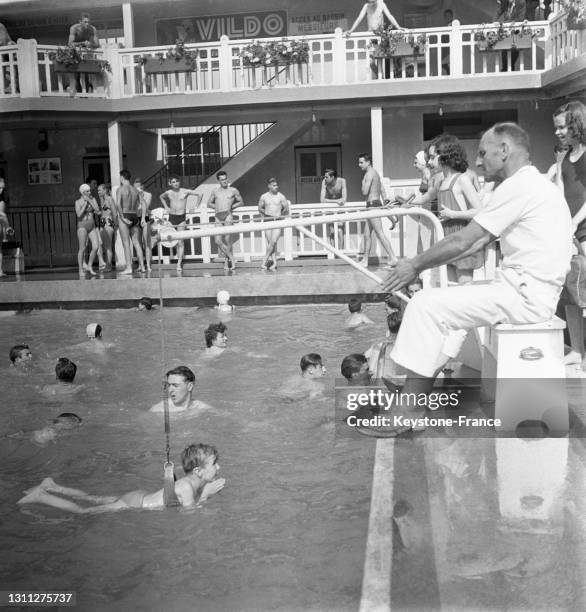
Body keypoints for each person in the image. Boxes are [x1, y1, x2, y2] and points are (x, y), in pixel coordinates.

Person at [380, 122, 573, 436]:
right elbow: (478, 242)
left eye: (483, 153)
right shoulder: (534, 185)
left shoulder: (520, 186)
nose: (479, 162)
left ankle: (410, 408)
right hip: (527, 290)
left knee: (426, 304)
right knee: (442, 301)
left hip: (525, 297)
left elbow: (465, 240)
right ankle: (416, 387)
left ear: (505, 150)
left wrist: (413, 265)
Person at [17, 443, 225, 512]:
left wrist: (169, 478)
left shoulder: (188, 483)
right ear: (198, 471)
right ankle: (41, 496)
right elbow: (189, 514)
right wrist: (207, 494)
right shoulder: (189, 487)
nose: (218, 466)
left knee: (93, 498)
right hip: (137, 504)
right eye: (214, 464)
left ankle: (53, 486)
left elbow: (171, 496)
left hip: (140, 497)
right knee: (84, 511)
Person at [552, 100, 586, 367]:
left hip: (583, 229)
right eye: (556, 128)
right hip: (570, 232)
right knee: (572, 292)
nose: (558, 132)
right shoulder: (564, 158)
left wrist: (575, 222)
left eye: (562, 127)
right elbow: (561, 192)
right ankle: (576, 350)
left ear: (576, 123)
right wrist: (564, 224)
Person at [434, 136, 485, 284]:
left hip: (462, 236)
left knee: (464, 286)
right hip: (446, 237)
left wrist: (452, 214)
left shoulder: (462, 179)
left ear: (445, 156)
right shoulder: (441, 182)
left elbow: (479, 210)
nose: (431, 161)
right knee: (449, 286)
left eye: (434, 156)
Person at [357, 153, 397, 267]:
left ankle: (393, 257)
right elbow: (383, 191)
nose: (359, 165)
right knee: (366, 235)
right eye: (359, 162)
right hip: (373, 205)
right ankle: (365, 260)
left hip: (373, 205)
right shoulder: (375, 174)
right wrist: (385, 204)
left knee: (379, 233)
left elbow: (364, 192)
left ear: (368, 162)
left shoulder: (369, 174)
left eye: (361, 162)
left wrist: (362, 183)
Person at [160, 176, 202, 271]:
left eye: (177, 181)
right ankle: (178, 256)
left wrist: (195, 207)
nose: (175, 183)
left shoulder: (185, 191)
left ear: (179, 182)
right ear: (170, 183)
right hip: (171, 217)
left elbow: (200, 194)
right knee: (172, 240)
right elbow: (161, 197)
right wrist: (166, 206)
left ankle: (179, 263)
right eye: (173, 182)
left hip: (181, 217)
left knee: (180, 241)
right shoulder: (169, 193)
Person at [206, 171, 243, 271]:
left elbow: (241, 202)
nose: (224, 181)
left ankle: (227, 262)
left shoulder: (233, 190)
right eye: (222, 180)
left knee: (227, 240)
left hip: (228, 216)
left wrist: (231, 207)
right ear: (218, 181)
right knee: (217, 241)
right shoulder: (215, 191)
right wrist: (217, 207)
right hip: (218, 216)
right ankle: (232, 258)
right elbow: (208, 204)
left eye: (225, 179)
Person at [116, 170, 145, 274]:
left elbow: (118, 204)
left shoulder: (120, 189)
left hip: (125, 214)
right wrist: (142, 218)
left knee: (126, 243)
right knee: (136, 242)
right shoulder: (136, 190)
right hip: (134, 215)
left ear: (122, 177)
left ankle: (129, 268)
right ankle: (142, 266)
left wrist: (122, 217)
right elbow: (143, 204)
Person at [258, 178, 290, 271]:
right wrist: (267, 214)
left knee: (273, 241)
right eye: (274, 185)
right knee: (270, 243)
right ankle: (274, 263)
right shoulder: (264, 196)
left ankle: (264, 261)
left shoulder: (281, 196)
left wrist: (279, 215)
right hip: (268, 220)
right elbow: (260, 208)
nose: (276, 187)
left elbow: (286, 208)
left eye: (277, 185)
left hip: (277, 220)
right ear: (269, 186)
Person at [67, 13, 100, 96]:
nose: (87, 24)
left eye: (88, 22)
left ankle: (86, 94)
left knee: (86, 74)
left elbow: (97, 44)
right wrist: (82, 43)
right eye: (85, 22)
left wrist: (90, 44)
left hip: (86, 53)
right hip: (75, 53)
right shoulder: (74, 28)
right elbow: (70, 44)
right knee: (77, 75)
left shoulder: (92, 29)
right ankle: (79, 93)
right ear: (80, 22)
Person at [75, 183, 101, 277]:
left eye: (89, 190)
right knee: (82, 248)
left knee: (96, 246)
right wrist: (85, 203)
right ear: (82, 192)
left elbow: (97, 210)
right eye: (87, 191)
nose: (89, 192)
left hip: (92, 225)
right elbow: (79, 215)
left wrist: (89, 200)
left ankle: (89, 265)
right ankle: (80, 269)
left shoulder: (92, 199)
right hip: (82, 226)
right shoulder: (77, 202)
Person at [320, 169, 347, 247]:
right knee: (332, 230)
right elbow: (322, 200)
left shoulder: (342, 181)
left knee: (340, 229)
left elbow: (344, 199)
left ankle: (341, 251)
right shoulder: (324, 182)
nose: (325, 178)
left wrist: (331, 201)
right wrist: (336, 201)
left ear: (332, 177)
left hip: (340, 208)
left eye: (326, 177)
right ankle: (333, 252)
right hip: (331, 208)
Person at [133, 178, 154, 271]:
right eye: (136, 186)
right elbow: (134, 208)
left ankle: (148, 265)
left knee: (146, 242)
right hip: (136, 218)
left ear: (142, 186)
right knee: (138, 243)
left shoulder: (148, 194)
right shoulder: (132, 196)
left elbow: (146, 206)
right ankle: (140, 265)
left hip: (145, 218)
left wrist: (141, 197)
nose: (138, 188)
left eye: (139, 186)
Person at [97, 183, 116, 271]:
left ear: (105, 190)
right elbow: (103, 212)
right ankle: (107, 264)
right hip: (102, 222)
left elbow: (114, 212)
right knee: (105, 245)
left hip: (108, 222)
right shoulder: (103, 200)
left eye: (100, 190)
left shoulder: (109, 199)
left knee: (108, 246)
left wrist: (115, 224)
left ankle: (109, 266)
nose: (98, 192)